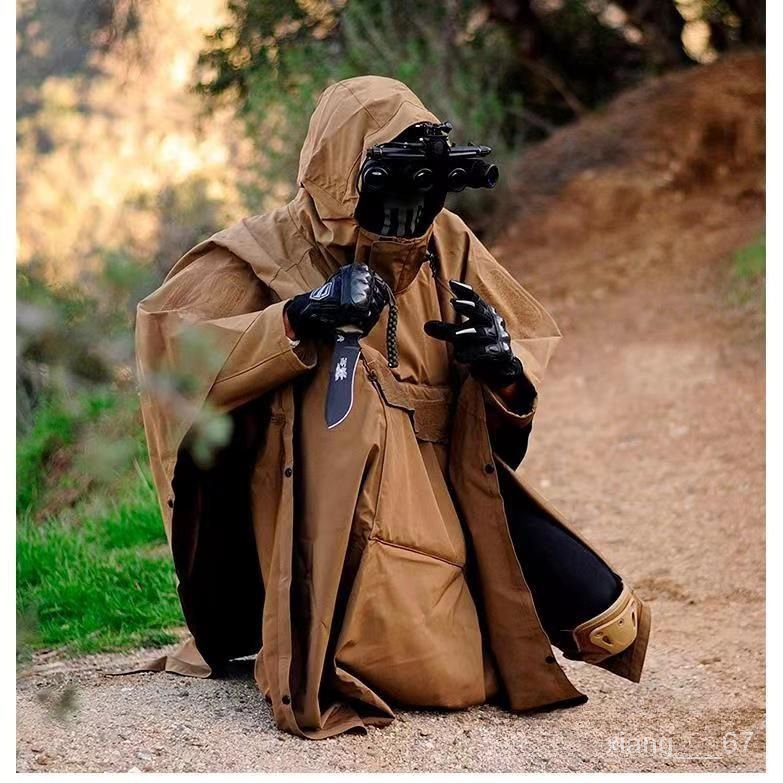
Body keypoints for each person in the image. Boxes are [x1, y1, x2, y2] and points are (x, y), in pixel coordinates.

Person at [135, 76, 650, 739]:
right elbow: (173, 356)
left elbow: (522, 344)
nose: (409, 197)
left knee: (587, 620)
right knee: (432, 667)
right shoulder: (256, 253)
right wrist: (298, 319)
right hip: (313, 506)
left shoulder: (448, 245)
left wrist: (498, 364)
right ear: (337, 162)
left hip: (441, 499)